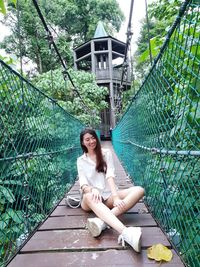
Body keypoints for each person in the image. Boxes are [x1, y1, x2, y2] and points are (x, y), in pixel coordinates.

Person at [77, 128, 145, 253]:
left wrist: (116, 197)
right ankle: (125, 232)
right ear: (82, 143)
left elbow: (110, 175)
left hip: (107, 195)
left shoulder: (106, 153)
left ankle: (102, 222)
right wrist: (92, 189)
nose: (91, 141)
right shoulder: (80, 161)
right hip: (89, 199)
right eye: (87, 139)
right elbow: (83, 183)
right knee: (90, 196)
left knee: (139, 190)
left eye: (93, 138)